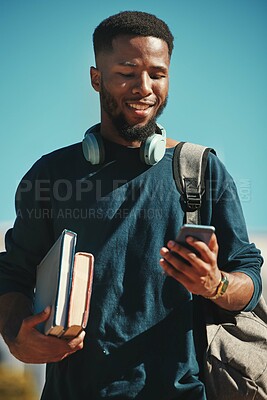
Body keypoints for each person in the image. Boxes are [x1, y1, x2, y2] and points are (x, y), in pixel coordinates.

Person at [0, 10, 263, 400]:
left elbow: (250, 278)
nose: (144, 88)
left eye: (158, 74)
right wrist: (17, 338)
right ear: (96, 79)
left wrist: (216, 283)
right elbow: (13, 275)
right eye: (126, 72)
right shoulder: (50, 174)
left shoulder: (201, 169)